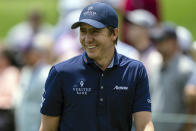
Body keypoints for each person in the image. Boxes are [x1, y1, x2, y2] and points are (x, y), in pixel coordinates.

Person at [39, 2, 154, 131]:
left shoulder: (134, 71)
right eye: (83, 31)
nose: (87, 39)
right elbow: (47, 128)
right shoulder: (60, 72)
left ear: (114, 34)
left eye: (95, 31)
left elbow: (144, 124)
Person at [150, 23, 195, 131]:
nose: (158, 44)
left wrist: (187, 127)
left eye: (162, 40)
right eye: (156, 40)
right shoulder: (155, 67)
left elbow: (193, 101)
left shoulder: (186, 68)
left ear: (174, 42)